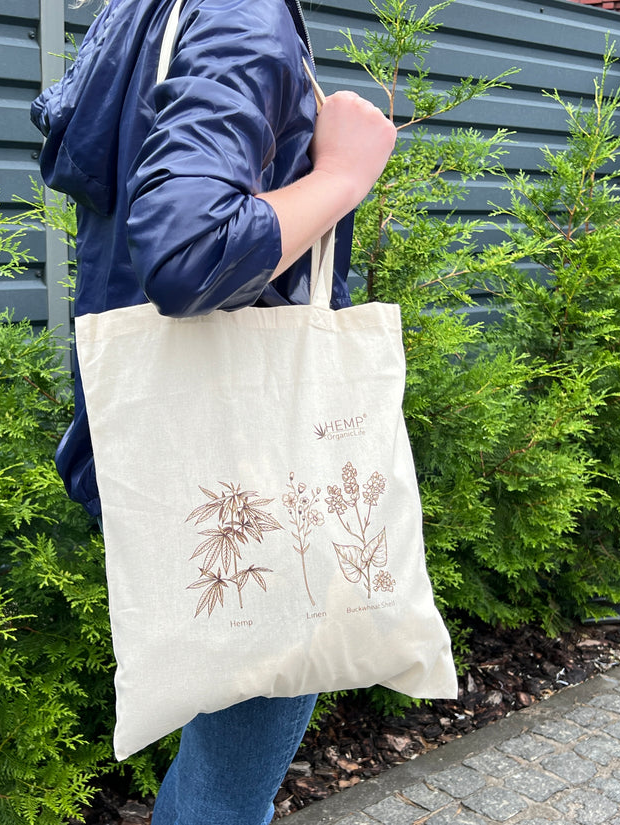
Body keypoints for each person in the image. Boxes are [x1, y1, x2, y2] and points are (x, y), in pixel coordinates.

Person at [31, 0, 396, 821]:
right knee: (228, 792)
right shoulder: (243, 17)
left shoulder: (149, 15)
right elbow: (187, 249)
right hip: (252, 471)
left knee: (222, 760)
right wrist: (341, 177)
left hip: (160, 447)